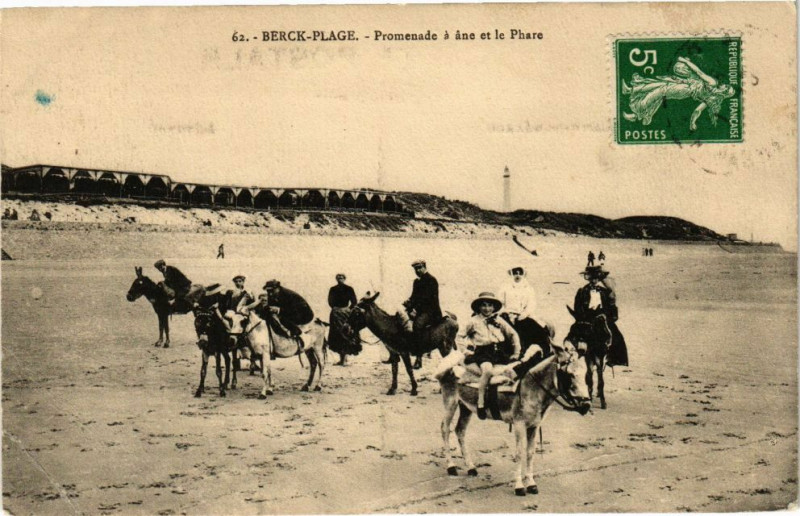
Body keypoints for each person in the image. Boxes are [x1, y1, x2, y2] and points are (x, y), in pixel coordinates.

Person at [622, 56, 735, 131]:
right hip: (686, 84)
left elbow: (699, 72)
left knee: (661, 90)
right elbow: (697, 111)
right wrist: (692, 123)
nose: (725, 84)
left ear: (724, 91)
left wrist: (686, 61)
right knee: (660, 84)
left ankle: (636, 114)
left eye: (726, 86)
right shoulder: (713, 99)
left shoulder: (713, 83)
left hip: (686, 89)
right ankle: (631, 91)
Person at [459, 292, 521, 420]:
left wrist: (516, 353)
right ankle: (481, 403)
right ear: (479, 307)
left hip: (499, 353)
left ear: (494, 308)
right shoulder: (473, 321)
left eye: (490, 306)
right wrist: (465, 351)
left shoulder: (498, 320)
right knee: (487, 371)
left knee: (514, 370)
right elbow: (459, 336)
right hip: (483, 353)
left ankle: (513, 403)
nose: (487, 309)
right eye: (484, 305)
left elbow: (513, 334)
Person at [574, 265, 628, 367]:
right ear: (588, 278)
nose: (594, 280)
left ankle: (614, 358)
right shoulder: (582, 291)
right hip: (586, 317)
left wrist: (609, 316)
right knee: (575, 333)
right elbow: (578, 306)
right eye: (592, 278)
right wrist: (581, 317)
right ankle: (573, 353)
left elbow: (610, 308)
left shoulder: (604, 292)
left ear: (599, 279)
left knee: (615, 334)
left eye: (596, 278)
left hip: (601, 316)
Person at [244, 280, 315, 349]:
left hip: (304, 314)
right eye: (268, 291)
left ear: (278, 288)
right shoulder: (272, 294)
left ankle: (300, 334)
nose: (270, 293)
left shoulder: (288, 294)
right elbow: (270, 308)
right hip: (292, 313)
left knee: (283, 319)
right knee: (269, 317)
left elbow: (293, 310)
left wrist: (279, 310)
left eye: (272, 291)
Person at [498, 266, 551, 358]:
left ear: (523, 275)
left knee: (537, 329)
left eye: (520, 273)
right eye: (515, 273)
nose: (517, 275)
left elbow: (531, 303)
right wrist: (505, 312)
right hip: (507, 313)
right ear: (511, 274)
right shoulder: (505, 287)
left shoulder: (529, 288)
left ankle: (542, 352)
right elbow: (500, 302)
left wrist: (524, 314)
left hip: (522, 315)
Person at [398, 259, 443, 337]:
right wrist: (407, 303)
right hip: (420, 310)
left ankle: (419, 347)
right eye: (415, 269)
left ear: (424, 267)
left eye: (419, 268)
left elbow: (426, 299)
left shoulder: (431, 280)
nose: (417, 270)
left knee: (417, 325)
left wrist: (413, 308)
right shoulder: (416, 282)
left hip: (430, 311)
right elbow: (413, 296)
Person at [327, 273, 360, 365]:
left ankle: (344, 359)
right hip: (336, 314)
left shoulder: (349, 289)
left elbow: (354, 301)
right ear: (336, 279)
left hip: (346, 314)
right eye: (338, 278)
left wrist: (348, 310)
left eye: (342, 278)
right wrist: (336, 309)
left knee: (347, 333)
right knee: (337, 334)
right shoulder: (333, 289)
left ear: (345, 279)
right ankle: (341, 359)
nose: (340, 279)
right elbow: (330, 301)